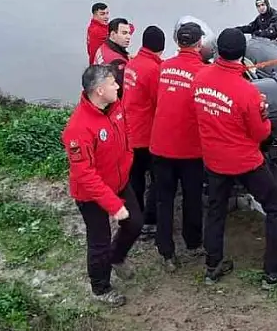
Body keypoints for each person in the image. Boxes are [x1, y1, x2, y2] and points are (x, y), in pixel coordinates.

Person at [193, 28, 277, 287]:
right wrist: (264, 114)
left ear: (217, 51)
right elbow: (261, 133)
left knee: (216, 211)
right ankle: (273, 271)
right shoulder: (247, 91)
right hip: (245, 161)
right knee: (275, 207)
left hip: (214, 159)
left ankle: (212, 266)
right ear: (242, 55)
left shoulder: (200, 78)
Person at [61, 64, 143, 307]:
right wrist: (113, 206)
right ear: (98, 90)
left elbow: (126, 133)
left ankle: (117, 258)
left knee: (136, 222)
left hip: (119, 182)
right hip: (92, 195)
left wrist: (127, 161)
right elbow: (84, 174)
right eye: (112, 83)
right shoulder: (78, 128)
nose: (118, 86)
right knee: (99, 241)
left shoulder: (115, 107)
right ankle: (100, 288)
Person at [149, 22, 209, 272]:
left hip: (159, 145)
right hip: (189, 149)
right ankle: (193, 242)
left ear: (178, 43)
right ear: (199, 44)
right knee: (192, 197)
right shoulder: (203, 72)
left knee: (164, 199)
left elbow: (158, 99)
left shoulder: (163, 67)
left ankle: (166, 251)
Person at [123, 25, 165, 238]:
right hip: (146, 135)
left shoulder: (133, 63)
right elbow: (160, 102)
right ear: (161, 48)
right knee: (157, 179)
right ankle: (150, 221)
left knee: (135, 178)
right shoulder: (152, 70)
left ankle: (133, 218)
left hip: (129, 130)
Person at [93, 18, 133, 96]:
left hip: (98, 95)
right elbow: (124, 91)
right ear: (113, 35)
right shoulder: (117, 62)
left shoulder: (103, 47)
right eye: (124, 33)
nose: (128, 37)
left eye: (129, 33)